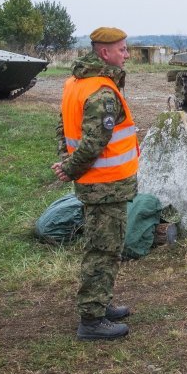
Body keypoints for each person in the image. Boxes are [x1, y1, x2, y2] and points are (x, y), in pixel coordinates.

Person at [52, 27, 139, 341]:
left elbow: (63, 126)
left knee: (106, 246)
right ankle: (91, 320)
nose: (126, 54)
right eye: (122, 49)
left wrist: (66, 160)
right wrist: (70, 168)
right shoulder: (102, 91)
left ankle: (101, 303)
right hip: (106, 185)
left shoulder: (75, 82)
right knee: (103, 251)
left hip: (100, 183)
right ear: (104, 53)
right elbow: (93, 142)